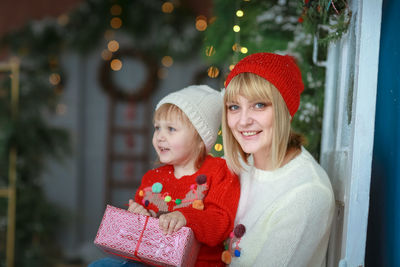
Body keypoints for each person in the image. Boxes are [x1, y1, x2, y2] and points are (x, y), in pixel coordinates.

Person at [89, 85, 240, 267]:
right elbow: (138, 239)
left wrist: (185, 217)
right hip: (149, 262)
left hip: (198, 264)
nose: (160, 136)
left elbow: (220, 223)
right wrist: (138, 216)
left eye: (171, 129)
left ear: (200, 139)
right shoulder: (152, 178)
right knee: (101, 265)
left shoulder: (218, 170)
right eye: (157, 128)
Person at [220, 52, 335, 267]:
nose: (243, 121)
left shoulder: (308, 192)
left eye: (259, 105)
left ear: (285, 110)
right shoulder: (238, 165)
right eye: (234, 107)